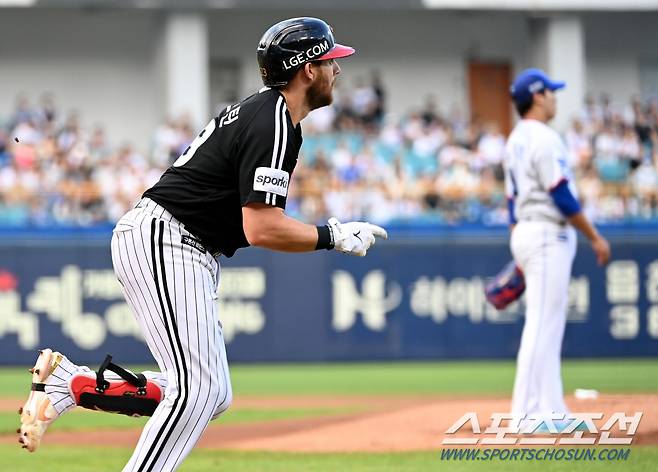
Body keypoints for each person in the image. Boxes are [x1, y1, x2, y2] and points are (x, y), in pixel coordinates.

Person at [17, 17, 387, 471]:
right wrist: (332, 236)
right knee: (198, 390)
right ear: (307, 68)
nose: (337, 69)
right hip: (168, 236)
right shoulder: (273, 120)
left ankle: (71, 385)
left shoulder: (270, 115)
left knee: (213, 394)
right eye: (330, 59)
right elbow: (262, 228)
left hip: (178, 241)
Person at [504, 68, 611, 431]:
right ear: (537, 96)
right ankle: (525, 414)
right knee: (541, 325)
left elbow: (510, 201)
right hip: (546, 231)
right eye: (551, 92)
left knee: (548, 324)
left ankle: (552, 409)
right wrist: (595, 236)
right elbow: (561, 193)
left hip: (528, 230)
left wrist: (520, 246)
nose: (555, 97)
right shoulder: (543, 137)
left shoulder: (515, 138)